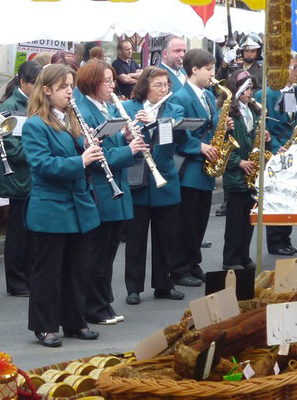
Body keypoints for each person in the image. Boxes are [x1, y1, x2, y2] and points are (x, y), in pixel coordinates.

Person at [22, 63, 101, 348]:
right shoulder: (35, 125)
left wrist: (95, 147)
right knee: (48, 271)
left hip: (79, 205)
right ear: (47, 90)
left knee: (77, 268)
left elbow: (84, 156)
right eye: (64, 87)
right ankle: (44, 326)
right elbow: (43, 165)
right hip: (51, 207)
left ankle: (74, 320)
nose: (70, 92)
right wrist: (81, 160)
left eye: (71, 86)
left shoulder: (74, 120)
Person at [75, 60, 150, 322]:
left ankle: (104, 301)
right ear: (91, 82)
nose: (111, 85)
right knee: (97, 255)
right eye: (106, 81)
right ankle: (93, 306)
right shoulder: (84, 110)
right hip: (101, 188)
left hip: (116, 186)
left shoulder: (105, 107)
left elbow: (113, 141)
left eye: (112, 80)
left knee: (108, 253)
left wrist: (128, 138)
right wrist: (128, 151)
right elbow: (99, 156)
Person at [122, 67, 197, 306]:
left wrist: (156, 122)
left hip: (165, 178)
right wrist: (129, 131)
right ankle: (133, 287)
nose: (164, 89)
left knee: (166, 237)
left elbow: (180, 138)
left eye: (166, 85)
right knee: (136, 239)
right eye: (158, 85)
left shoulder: (174, 109)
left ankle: (164, 285)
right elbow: (120, 140)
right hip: (138, 180)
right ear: (145, 86)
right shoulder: (130, 108)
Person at [170, 49, 228, 287]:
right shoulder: (181, 97)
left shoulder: (205, 95)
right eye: (208, 69)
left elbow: (210, 127)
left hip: (204, 168)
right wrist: (201, 147)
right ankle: (179, 267)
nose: (212, 74)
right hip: (189, 169)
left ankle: (194, 262)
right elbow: (178, 134)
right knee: (186, 221)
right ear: (194, 69)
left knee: (200, 219)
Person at [255, 53, 297, 256]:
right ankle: (275, 241)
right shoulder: (266, 94)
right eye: (294, 67)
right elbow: (265, 125)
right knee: (276, 196)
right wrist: (279, 147)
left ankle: (286, 238)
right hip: (276, 151)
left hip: (296, 150)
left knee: (290, 195)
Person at [0, 60, 41, 298]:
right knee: (18, 233)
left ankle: (30, 276)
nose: (39, 87)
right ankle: (15, 281)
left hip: (33, 178)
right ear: (22, 82)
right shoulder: (11, 106)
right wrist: (42, 151)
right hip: (19, 179)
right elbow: (12, 148)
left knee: (33, 232)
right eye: (35, 83)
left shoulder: (36, 103)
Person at [221, 69, 265, 270]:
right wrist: (238, 162)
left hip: (251, 172)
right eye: (247, 89)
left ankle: (244, 255)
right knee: (235, 221)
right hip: (236, 173)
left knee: (249, 220)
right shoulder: (229, 111)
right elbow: (223, 144)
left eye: (252, 89)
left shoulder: (253, 110)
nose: (250, 93)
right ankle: (230, 259)